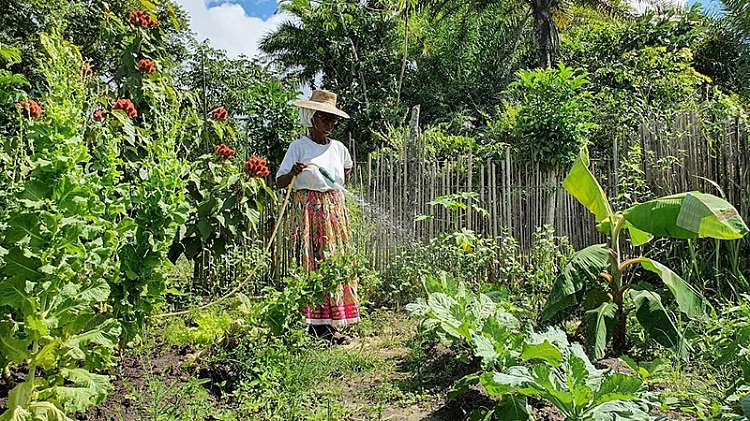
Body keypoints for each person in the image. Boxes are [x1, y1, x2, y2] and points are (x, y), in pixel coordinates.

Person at [276, 90, 359, 344]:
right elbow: (280, 181)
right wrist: (294, 172)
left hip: (333, 211)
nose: (330, 124)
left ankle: (332, 324)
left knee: (333, 262)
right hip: (308, 213)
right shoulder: (299, 147)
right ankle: (312, 325)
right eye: (325, 118)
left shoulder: (340, 149)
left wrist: (333, 201)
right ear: (313, 118)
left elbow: (345, 173)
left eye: (333, 120)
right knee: (310, 262)